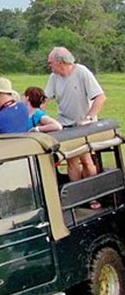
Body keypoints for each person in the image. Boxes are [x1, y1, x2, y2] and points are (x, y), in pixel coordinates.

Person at [44, 47, 107, 206]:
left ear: (60, 62)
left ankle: (93, 196)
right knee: (71, 160)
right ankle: (78, 197)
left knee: (86, 160)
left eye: (51, 63)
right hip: (65, 124)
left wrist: (89, 117)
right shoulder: (54, 77)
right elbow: (45, 99)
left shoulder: (82, 72)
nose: (49, 66)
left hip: (83, 125)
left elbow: (100, 97)